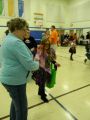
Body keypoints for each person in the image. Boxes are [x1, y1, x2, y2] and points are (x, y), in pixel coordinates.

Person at [0, 18, 39, 120]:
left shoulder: (7, 39)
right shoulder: (16, 43)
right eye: (24, 29)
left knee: (15, 103)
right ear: (17, 29)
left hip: (8, 78)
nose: (26, 32)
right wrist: (38, 64)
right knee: (21, 109)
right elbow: (30, 65)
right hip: (15, 81)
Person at [33, 38, 60, 102]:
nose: (47, 45)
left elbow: (51, 59)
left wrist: (55, 63)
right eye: (45, 44)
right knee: (42, 83)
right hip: (41, 69)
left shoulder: (49, 50)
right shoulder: (40, 50)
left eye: (48, 44)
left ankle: (40, 92)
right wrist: (36, 58)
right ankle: (42, 96)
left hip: (47, 69)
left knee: (43, 82)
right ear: (43, 44)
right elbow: (36, 58)